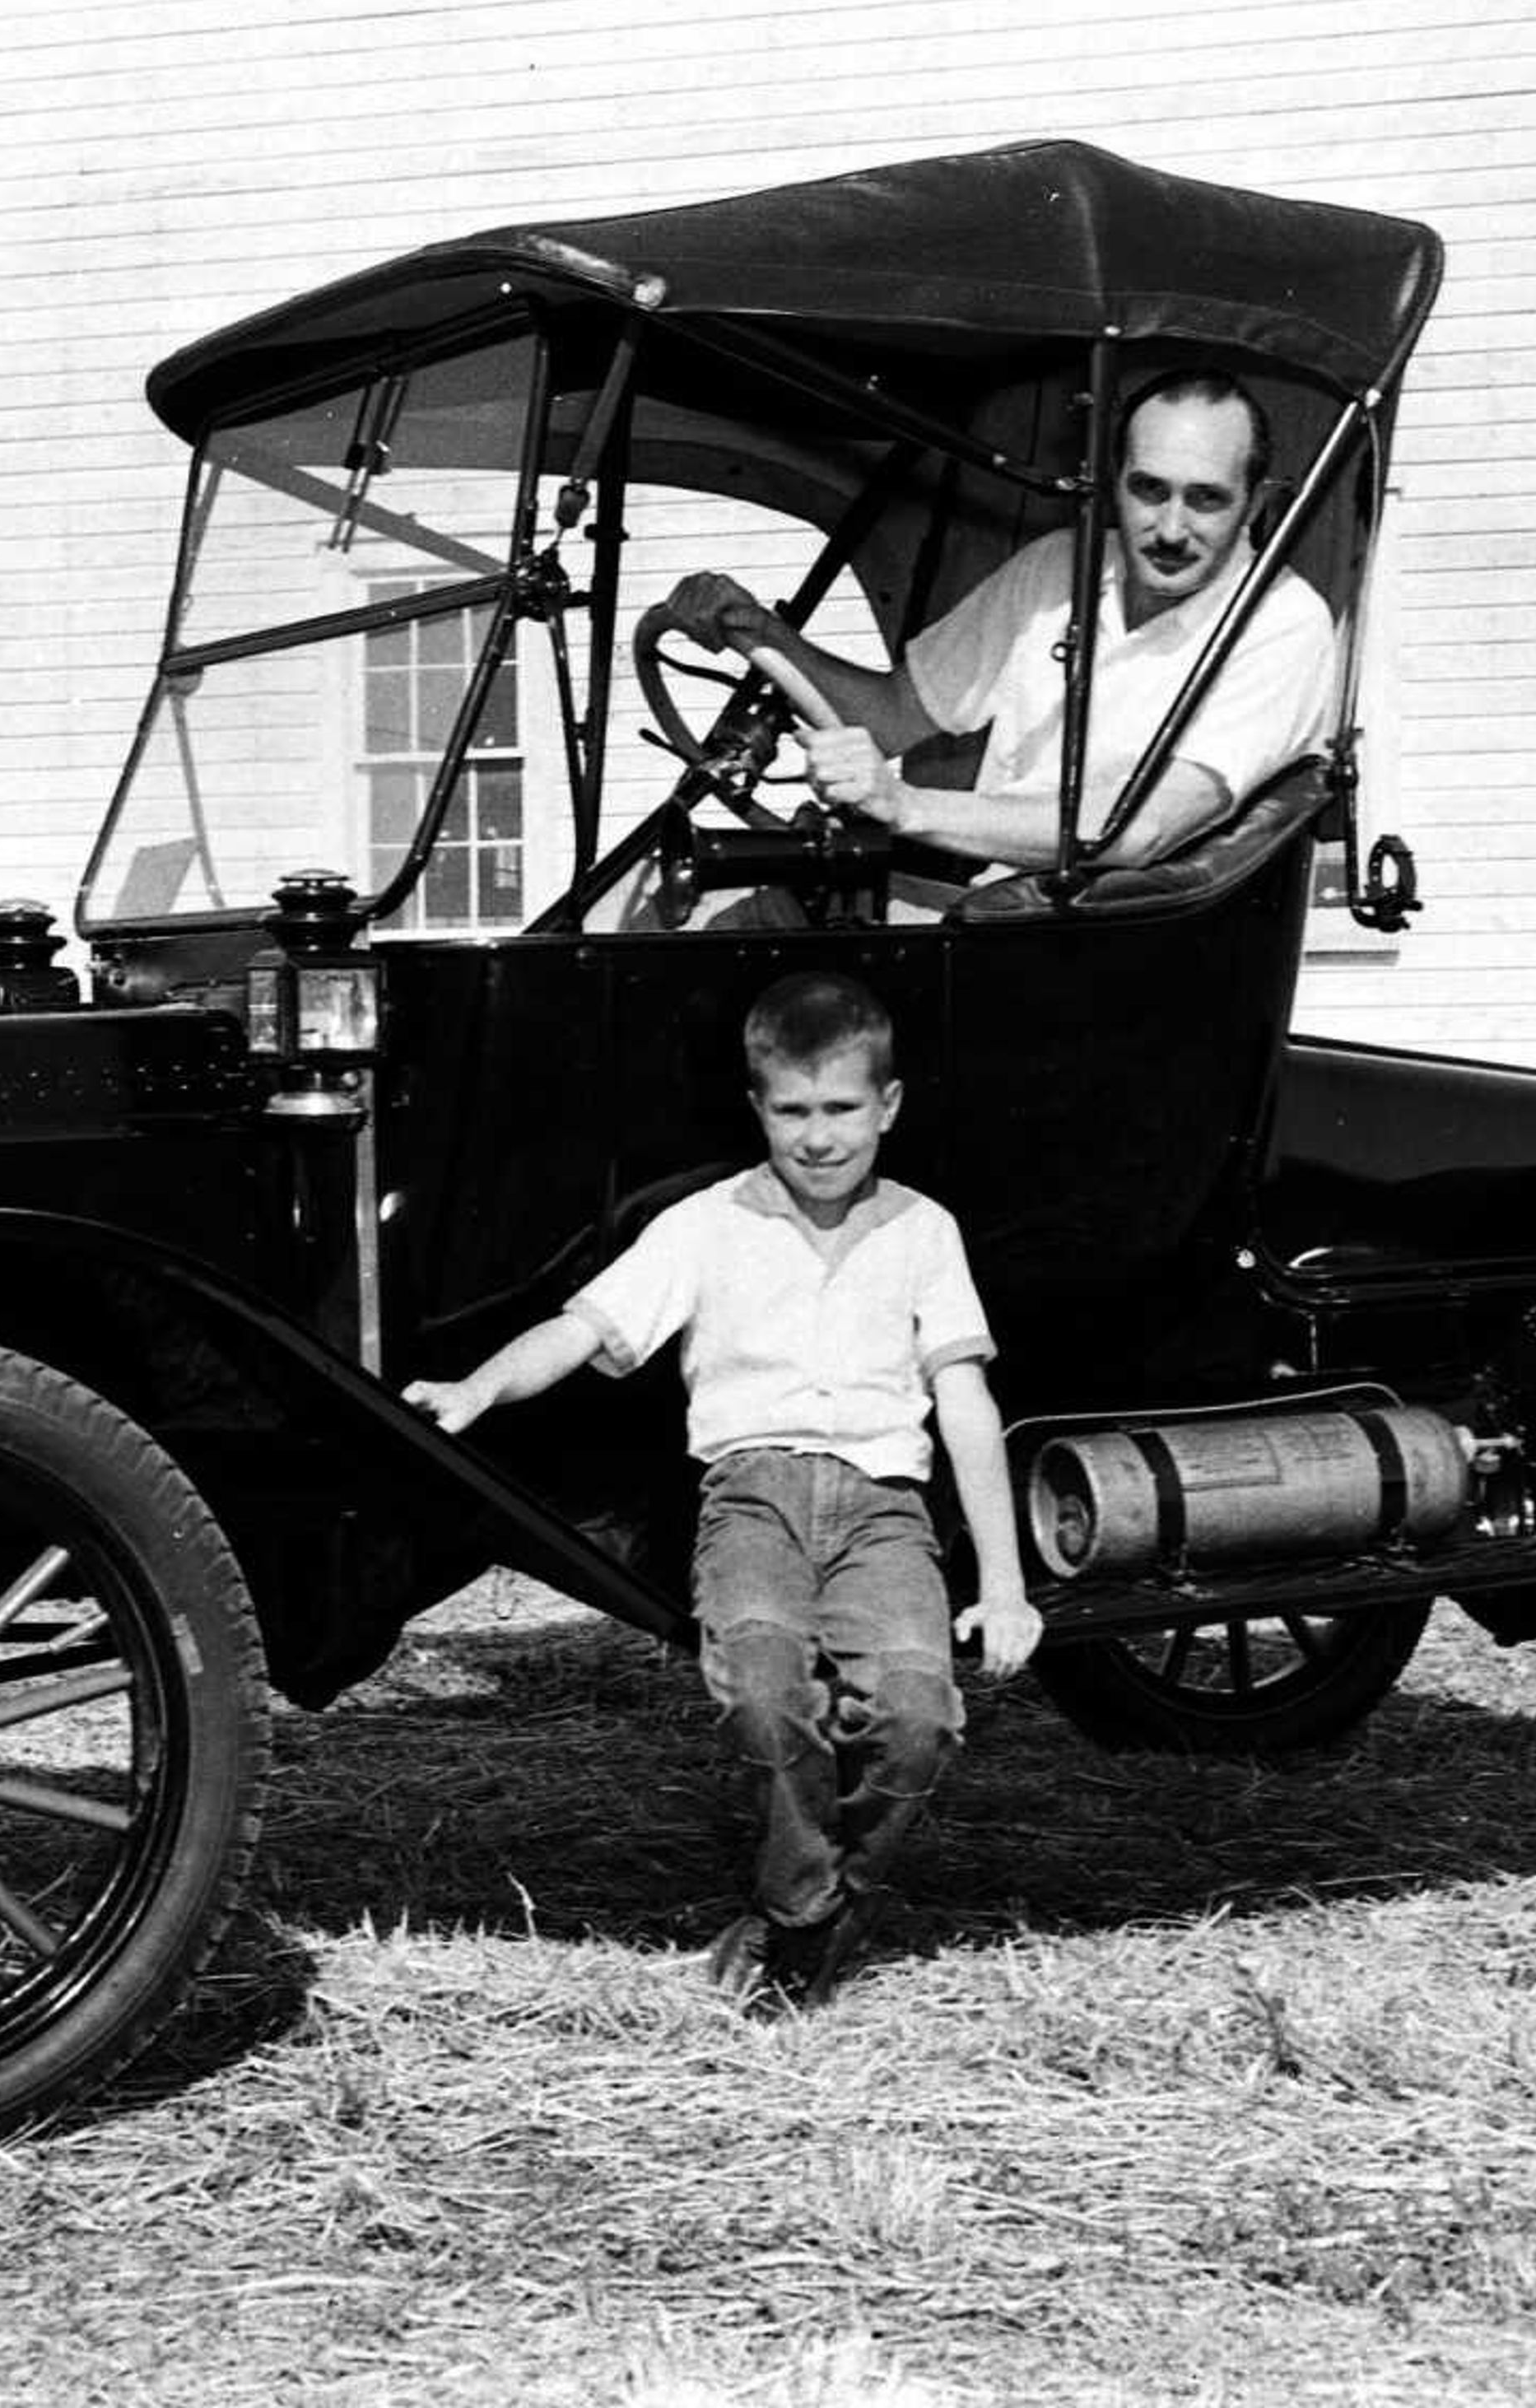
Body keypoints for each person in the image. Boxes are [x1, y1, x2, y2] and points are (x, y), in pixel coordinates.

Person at [402, 970, 1040, 2009]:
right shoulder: (704, 1224)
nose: (819, 1137)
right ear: (759, 1109)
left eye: (842, 1109)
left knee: (920, 1718)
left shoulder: (925, 1230)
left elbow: (966, 1404)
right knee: (758, 1692)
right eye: (794, 1111)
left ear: (889, 1106)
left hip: (884, 1510)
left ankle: (831, 1899)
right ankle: (801, 1906)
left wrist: (1005, 1584)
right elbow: (585, 1328)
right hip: (754, 1497)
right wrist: (480, 1386)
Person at [667, 370, 1336, 899]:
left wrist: (904, 804)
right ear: (1112, 485)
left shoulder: (1283, 624)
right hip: (993, 907)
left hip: (1122, 951)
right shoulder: (1057, 567)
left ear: (1259, 503)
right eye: (1149, 490)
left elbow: (1139, 829)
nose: (1169, 528)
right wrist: (763, 634)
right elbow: (894, 717)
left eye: (1206, 498)